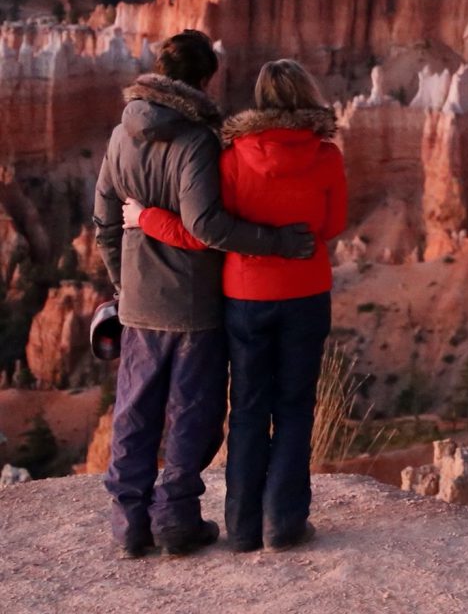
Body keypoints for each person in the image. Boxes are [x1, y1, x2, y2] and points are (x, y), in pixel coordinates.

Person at [93, 32, 315, 559]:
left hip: (140, 305)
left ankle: (129, 523)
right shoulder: (196, 140)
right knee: (192, 414)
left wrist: (125, 286)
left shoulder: (119, 136)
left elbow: (104, 220)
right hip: (193, 306)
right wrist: (277, 242)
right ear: (203, 79)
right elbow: (207, 225)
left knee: (135, 413)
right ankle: (174, 520)